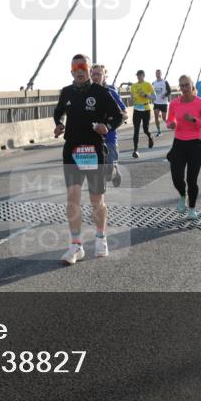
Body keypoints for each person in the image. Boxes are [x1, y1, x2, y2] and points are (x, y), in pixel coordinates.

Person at [54, 54, 124, 264]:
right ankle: (76, 245)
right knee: (73, 198)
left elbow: (119, 115)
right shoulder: (66, 92)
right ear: (71, 70)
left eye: (83, 66)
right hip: (73, 150)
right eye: (76, 67)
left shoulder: (100, 92)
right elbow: (58, 113)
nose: (80, 70)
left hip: (93, 150)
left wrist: (108, 126)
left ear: (88, 68)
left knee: (96, 200)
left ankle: (101, 237)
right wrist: (59, 124)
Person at [165, 75, 201, 219]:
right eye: (182, 85)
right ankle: (182, 195)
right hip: (179, 143)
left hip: (195, 145)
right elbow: (169, 120)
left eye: (187, 85)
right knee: (176, 177)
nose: (184, 88)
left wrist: (193, 120)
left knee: (192, 180)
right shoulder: (174, 103)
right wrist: (171, 124)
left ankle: (192, 209)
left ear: (192, 86)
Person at [91, 63, 127, 186]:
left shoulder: (111, 92)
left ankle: (115, 170)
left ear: (104, 76)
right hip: (93, 137)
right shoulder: (87, 93)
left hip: (110, 136)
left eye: (99, 74)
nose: (95, 77)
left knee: (109, 169)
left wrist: (110, 124)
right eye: (93, 74)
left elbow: (124, 113)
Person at [129, 69, 155, 158]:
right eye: (137, 75)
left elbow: (154, 97)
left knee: (145, 129)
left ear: (143, 76)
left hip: (146, 109)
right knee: (136, 130)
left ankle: (150, 137)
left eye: (140, 75)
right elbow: (131, 97)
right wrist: (131, 99)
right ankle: (135, 150)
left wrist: (145, 95)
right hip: (137, 109)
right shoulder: (133, 86)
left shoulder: (148, 85)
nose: (139, 77)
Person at [151, 69, 172, 137]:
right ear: (155, 74)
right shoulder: (153, 83)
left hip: (163, 103)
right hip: (156, 102)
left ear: (161, 74)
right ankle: (159, 131)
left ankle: (170, 123)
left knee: (164, 118)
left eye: (159, 73)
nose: (158, 75)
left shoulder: (165, 82)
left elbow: (169, 91)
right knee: (156, 116)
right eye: (157, 73)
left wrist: (164, 95)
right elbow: (151, 92)